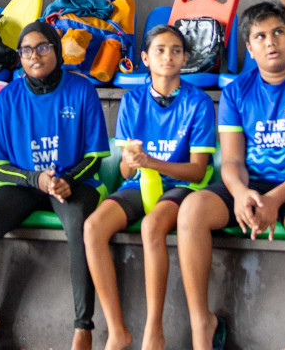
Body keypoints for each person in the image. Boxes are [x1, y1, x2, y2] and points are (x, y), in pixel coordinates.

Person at [177, 2, 285, 350]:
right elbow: (232, 161)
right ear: (249, 49)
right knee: (191, 210)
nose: (271, 42)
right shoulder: (236, 92)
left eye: (278, 32)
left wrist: (274, 199)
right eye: (260, 36)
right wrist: (240, 193)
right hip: (252, 183)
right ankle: (201, 324)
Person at [0, 20, 107, 350]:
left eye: (43, 47)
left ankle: (83, 328)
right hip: (23, 183)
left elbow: (96, 155)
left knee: (79, 229)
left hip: (73, 180)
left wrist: (66, 180)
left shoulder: (81, 89)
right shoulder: (8, 97)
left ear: (57, 51)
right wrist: (35, 179)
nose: (35, 55)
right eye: (26, 50)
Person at [85, 24, 215, 350]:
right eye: (159, 50)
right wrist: (132, 159)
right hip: (141, 181)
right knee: (93, 227)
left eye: (175, 50)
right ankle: (117, 331)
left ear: (185, 58)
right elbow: (128, 171)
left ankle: (153, 329)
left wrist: (152, 162)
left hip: (182, 186)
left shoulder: (198, 103)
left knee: (152, 225)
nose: (167, 56)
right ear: (145, 58)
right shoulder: (132, 101)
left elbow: (198, 171)